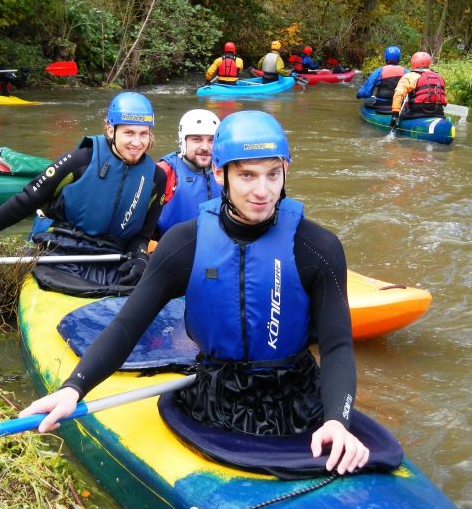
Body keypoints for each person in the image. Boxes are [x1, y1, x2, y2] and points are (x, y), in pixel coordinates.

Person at [19, 110, 371, 476]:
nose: (262, 191)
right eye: (247, 175)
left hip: (299, 400)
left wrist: (337, 420)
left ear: (286, 168)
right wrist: (74, 388)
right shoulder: (184, 244)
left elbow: (337, 346)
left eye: (273, 174)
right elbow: (128, 326)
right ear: (220, 173)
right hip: (216, 399)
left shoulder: (318, 248)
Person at [0, 92, 167, 295]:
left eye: (143, 133)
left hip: (113, 260)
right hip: (61, 256)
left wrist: (139, 257)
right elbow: (24, 202)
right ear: (110, 129)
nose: (137, 142)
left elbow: (142, 236)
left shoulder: (156, 178)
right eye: (129, 133)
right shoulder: (78, 161)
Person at [155, 109, 222, 238]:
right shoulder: (165, 171)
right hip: (174, 249)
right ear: (183, 141)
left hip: (217, 249)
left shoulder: (228, 172)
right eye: (197, 139)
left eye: (211, 140)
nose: (205, 147)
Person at [391, 51, 447, 126]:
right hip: (439, 112)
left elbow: (398, 94)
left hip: (417, 112)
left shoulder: (410, 76)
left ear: (413, 63)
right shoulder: (439, 77)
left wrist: (395, 114)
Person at [357, 46, 407, 113]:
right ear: (399, 58)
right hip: (400, 105)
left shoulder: (379, 71)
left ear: (386, 58)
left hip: (381, 104)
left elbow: (366, 93)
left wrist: (359, 95)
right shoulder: (406, 72)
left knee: (368, 101)